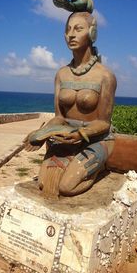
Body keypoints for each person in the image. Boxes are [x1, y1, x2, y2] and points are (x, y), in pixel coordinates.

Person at [25, 11, 116, 198]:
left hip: (96, 139)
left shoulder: (105, 76)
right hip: (66, 138)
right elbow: (59, 117)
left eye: (78, 28)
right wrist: (41, 133)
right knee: (44, 184)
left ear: (92, 33)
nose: (71, 34)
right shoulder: (61, 74)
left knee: (66, 187)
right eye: (67, 30)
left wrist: (81, 134)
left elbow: (104, 123)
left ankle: (98, 167)